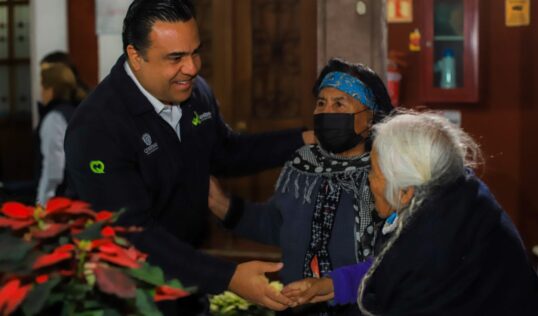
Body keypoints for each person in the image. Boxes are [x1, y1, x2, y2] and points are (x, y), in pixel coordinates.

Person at [64, 0, 314, 314]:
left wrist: (303, 140)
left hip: (187, 281)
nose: (192, 67)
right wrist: (229, 276)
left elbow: (226, 153)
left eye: (195, 51)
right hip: (124, 296)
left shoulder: (195, 93)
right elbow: (132, 234)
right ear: (135, 56)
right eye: (175, 58)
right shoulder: (98, 125)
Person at [282, 112, 538, 315]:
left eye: (374, 172)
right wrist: (333, 285)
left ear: (405, 191)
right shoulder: (455, 193)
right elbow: (393, 268)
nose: (368, 181)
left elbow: (406, 273)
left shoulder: (432, 244)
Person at [208, 58, 394, 315]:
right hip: (297, 307)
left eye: (339, 103)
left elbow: (400, 258)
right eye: (321, 103)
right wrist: (222, 205)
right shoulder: (301, 166)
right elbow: (277, 225)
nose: (327, 111)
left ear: (370, 117)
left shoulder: (387, 174)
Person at [36, 64, 86, 205]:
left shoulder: (54, 118)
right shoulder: (78, 112)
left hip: (61, 200)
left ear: (50, 90)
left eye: (42, 87)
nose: (41, 93)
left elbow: (53, 171)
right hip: (81, 195)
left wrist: (42, 204)